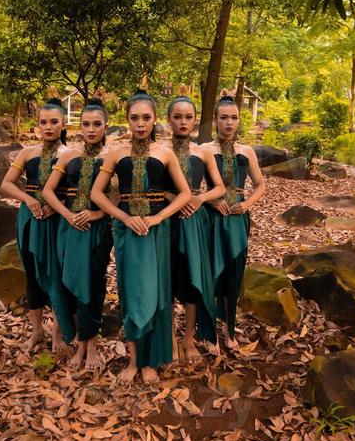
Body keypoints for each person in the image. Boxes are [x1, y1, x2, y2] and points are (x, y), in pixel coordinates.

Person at [90, 90, 191, 384]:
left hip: (158, 230)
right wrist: (123, 217)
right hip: (127, 231)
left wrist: (158, 217)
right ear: (127, 120)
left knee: (158, 293)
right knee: (132, 292)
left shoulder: (165, 153)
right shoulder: (116, 153)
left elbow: (185, 193)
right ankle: (134, 361)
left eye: (146, 118)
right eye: (134, 118)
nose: (140, 124)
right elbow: (97, 193)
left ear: (155, 120)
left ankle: (152, 361)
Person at [42, 98, 112, 372]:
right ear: (78, 126)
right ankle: (73, 338)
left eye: (97, 124)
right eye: (86, 124)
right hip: (68, 228)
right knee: (67, 280)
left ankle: (89, 345)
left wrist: (97, 214)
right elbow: (48, 191)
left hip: (98, 229)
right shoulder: (68, 156)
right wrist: (67, 214)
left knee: (93, 284)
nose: (91, 130)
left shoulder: (113, 156)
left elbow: (117, 198)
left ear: (106, 126)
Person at [1, 97, 71, 353]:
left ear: (64, 124)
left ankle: (59, 333)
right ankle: (37, 331)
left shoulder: (71, 155)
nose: (49, 127)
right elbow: (6, 184)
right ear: (38, 125)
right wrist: (28, 199)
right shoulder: (28, 153)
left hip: (59, 221)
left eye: (54, 122)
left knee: (58, 275)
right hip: (31, 221)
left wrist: (57, 205)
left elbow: (77, 190)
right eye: (44, 122)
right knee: (32, 274)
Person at [201, 95, 265, 349]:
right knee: (211, 274)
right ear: (216, 120)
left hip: (238, 221)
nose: (229, 123)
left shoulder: (246, 151)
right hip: (212, 218)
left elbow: (260, 185)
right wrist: (211, 201)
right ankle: (208, 333)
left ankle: (229, 331)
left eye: (234, 118)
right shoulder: (205, 149)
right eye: (224, 117)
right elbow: (192, 188)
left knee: (234, 273)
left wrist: (246, 204)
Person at [165, 95, 225, 359]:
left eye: (188, 117)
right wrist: (174, 199)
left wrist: (199, 198)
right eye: (177, 117)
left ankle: (189, 338)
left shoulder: (203, 152)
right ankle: (169, 339)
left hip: (194, 222)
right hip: (165, 221)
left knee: (192, 280)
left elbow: (220, 187)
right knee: (165, 279)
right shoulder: (158, 150)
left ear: (196, 119)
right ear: (168, 120)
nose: (183, 122)